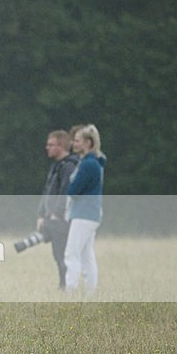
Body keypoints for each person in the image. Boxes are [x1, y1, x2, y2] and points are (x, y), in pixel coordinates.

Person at [64, 124, 107, 294]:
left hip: (83, 214)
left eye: (77, 141)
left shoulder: (88, 164)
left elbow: (73, 190)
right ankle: (90, 292)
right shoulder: (94, 163)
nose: (73, 144)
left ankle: (71, 291)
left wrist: (70, 189)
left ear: (88, 143)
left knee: (71, 254)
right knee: (86, 256)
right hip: (90, 214)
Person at [36, 130, 78, 289]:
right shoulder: (56, 166)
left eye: (51, 144)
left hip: (61, 219)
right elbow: (48, 191)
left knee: (62, 254)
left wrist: (56, 213)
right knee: (57, 254)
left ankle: (66, 285)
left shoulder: (68, 167)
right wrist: (41, 214)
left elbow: (65, 192)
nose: (47, 147)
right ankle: (63, 284)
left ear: (61, 146)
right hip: (51, 217)